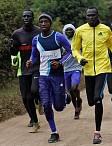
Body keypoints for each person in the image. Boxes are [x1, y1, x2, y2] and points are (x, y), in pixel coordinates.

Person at [71, 6, 112, 144]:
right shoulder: (80, 30)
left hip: (102, 67)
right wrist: (80, 58)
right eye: (88, 15)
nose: (90, 17)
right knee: (91, 101)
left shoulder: (106, 29)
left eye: (93, 15)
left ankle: (97, 133)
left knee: (97, 99)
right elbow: (74, 49)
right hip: (87, 69)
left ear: (97, 15)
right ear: (86, 17)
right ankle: (97, 96)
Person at [26, 13, 72, 143]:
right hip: (43, 75)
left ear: (50, 24)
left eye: (46, 21)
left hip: (57, 76)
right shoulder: (36, 40)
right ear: (39, 24)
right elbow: (34, 56)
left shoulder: (58, 37)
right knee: (46, 104)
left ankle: (64, 97)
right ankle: (54, 132)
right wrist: (30, 61)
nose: (43, 24)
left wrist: (60, 63)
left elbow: (71, 51)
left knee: (59, 107)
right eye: (41, 22)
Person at [10, 9, 42, 133]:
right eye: (24, 16)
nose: (26, 18)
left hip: (37, 67)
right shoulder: (17, 34)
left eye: (29, 16)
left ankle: (39, 100)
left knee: (33, 91)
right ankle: (34, 121)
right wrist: (12, 47)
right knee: (26, 97)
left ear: (33, 18)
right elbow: (14, 52)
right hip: (23, 69)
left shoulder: (39, 31)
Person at [62, 24, 83, 119]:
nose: (69, 31)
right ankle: (76, 111)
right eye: (67, 30)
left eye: (71, 30)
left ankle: (79, 100)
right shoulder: (62, 42)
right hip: (66, 69)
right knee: (70, 91)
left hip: (76, 67)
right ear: (64, 32)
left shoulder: (78, 40)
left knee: (75, 87)